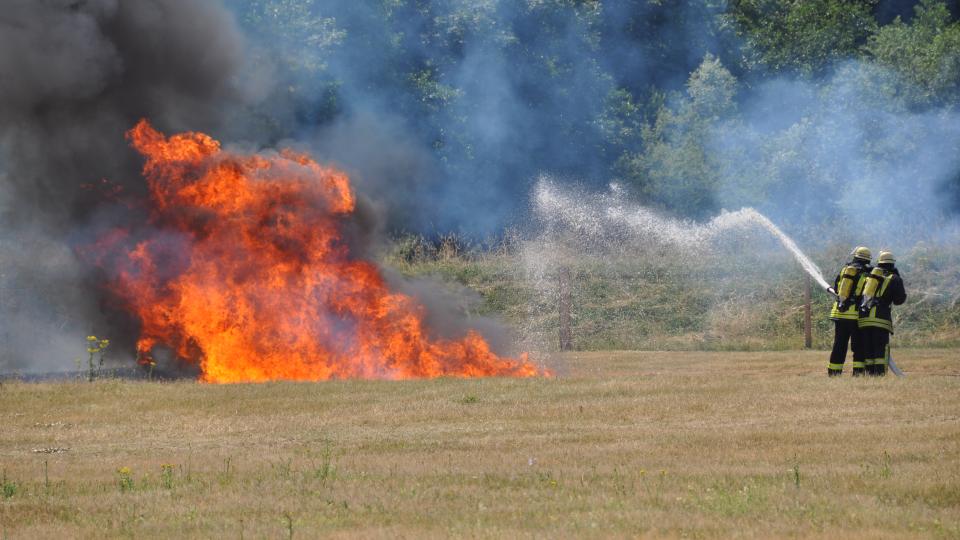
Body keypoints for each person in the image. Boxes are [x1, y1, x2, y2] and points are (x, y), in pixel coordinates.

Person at [858, 251, 907, 376]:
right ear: (892, 264)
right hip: (881, 320)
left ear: (879, 263)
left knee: (868, 348)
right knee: (880, 349)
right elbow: (899, 300)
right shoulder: (895, 279)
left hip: (864, 319)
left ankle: (869, 374)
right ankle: (879, 375)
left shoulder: (870, 277)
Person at [827, 246, 872, 376]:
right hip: (855, 316)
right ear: (867, 260)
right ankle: (858, 373)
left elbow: (837, 289)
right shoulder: (867, 274)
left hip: (839, 313)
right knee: (858, 346)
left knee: (839, 345)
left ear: (855, 257)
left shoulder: (845, 270)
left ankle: (834, 373)